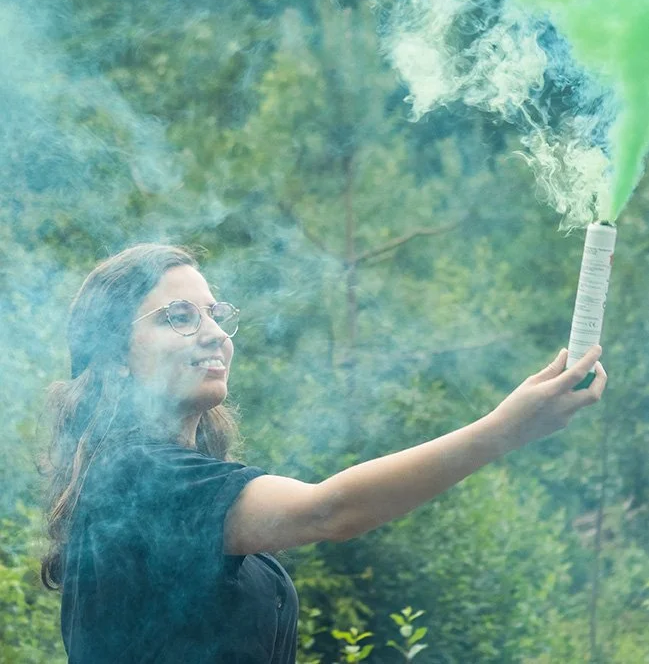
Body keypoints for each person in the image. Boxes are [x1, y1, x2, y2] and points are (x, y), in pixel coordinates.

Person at [41, 243, 607, 664]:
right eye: (180, 317)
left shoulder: (176, 482)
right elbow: (328, 511)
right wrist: (504, 430)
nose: (214, 333)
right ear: (113, 355)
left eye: (214, 314)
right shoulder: (136, 479)